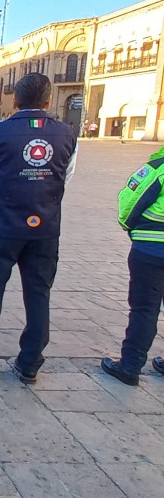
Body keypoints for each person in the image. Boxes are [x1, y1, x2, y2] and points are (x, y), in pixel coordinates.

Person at [0, 73, 78, 384]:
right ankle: (30, 363)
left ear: (15, 100)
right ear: (48, 101)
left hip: (2, 226)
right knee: (39, 293)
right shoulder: (67, 134)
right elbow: (65, 176)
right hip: (45, 227)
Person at [101, 145, 164, 385]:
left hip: (151, 248)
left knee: (145, 310)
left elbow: (130, 202)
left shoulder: (158, 168)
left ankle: (130, 367)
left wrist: (132, 229)